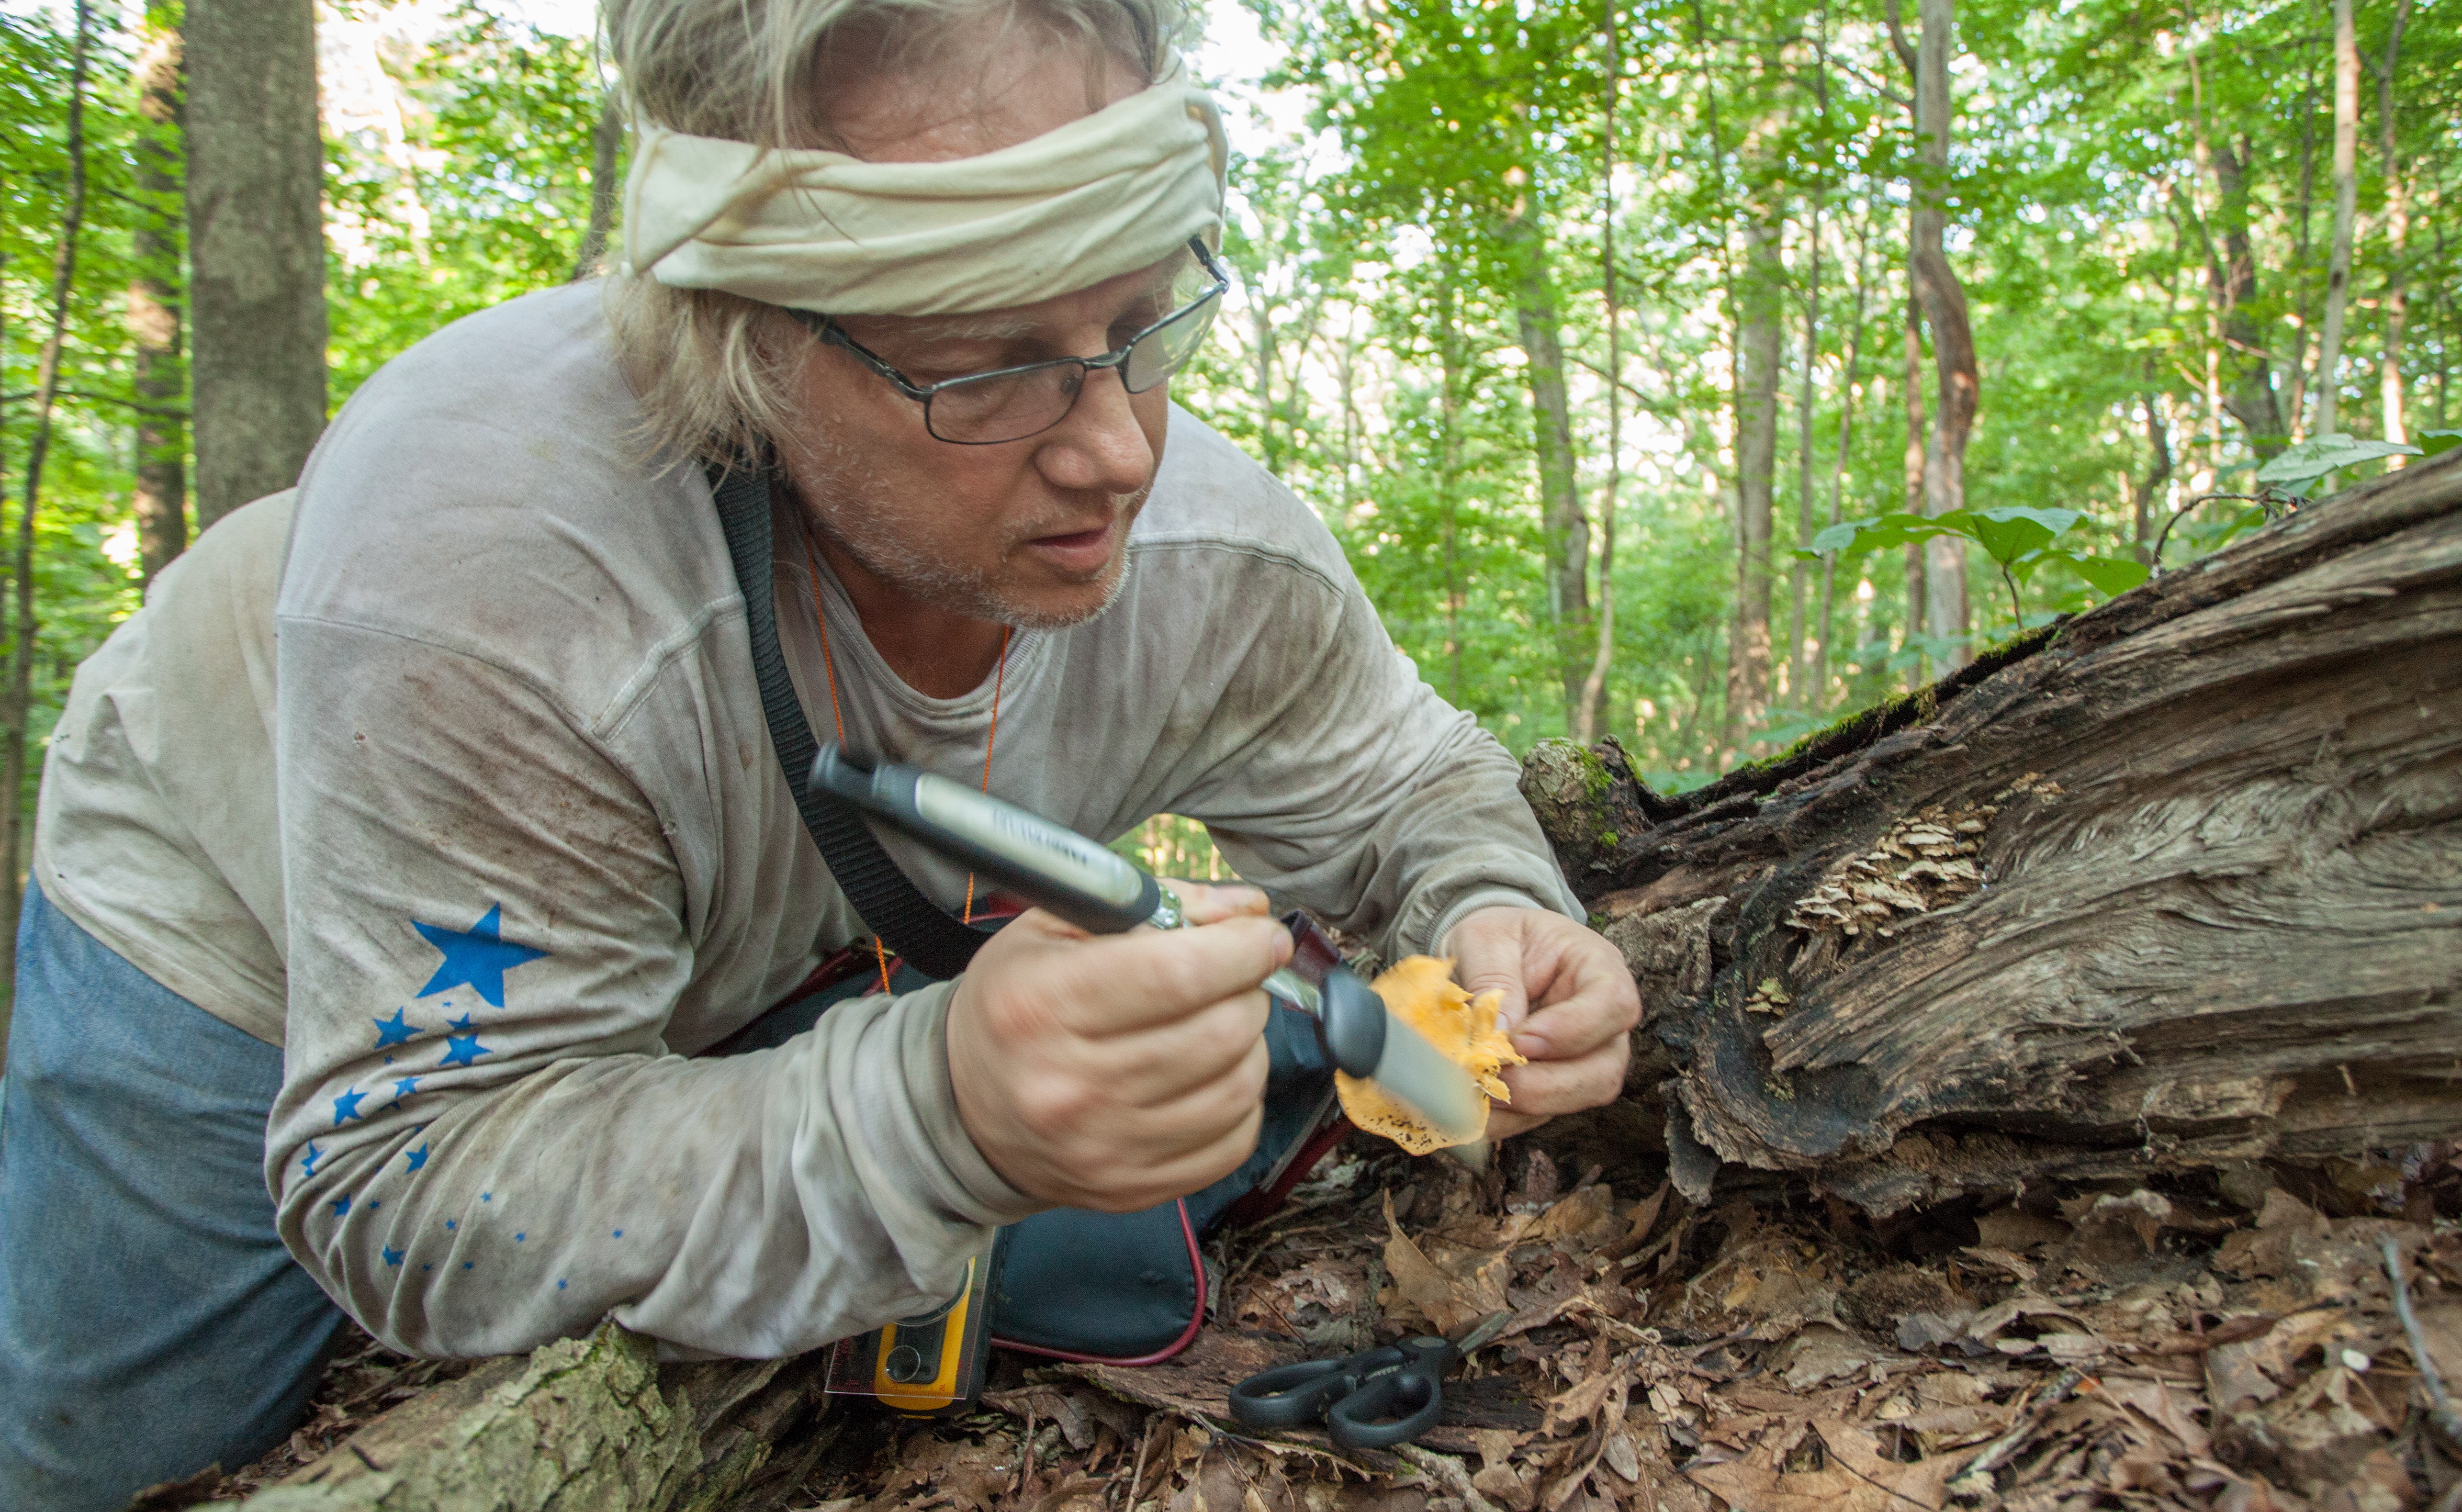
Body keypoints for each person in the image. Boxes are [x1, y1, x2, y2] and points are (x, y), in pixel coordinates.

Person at [0, 0, 1641, 1505]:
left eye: (1146, 317)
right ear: (748, 340)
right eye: (985, 364)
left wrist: (1497, 908)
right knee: (113, 1447)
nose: (1122, 448)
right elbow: (418, 1174)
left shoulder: (1212, 558)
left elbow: (1408, 787)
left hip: (733, 917)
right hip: (236, 909)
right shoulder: (492, 570)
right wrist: (935, 1114)